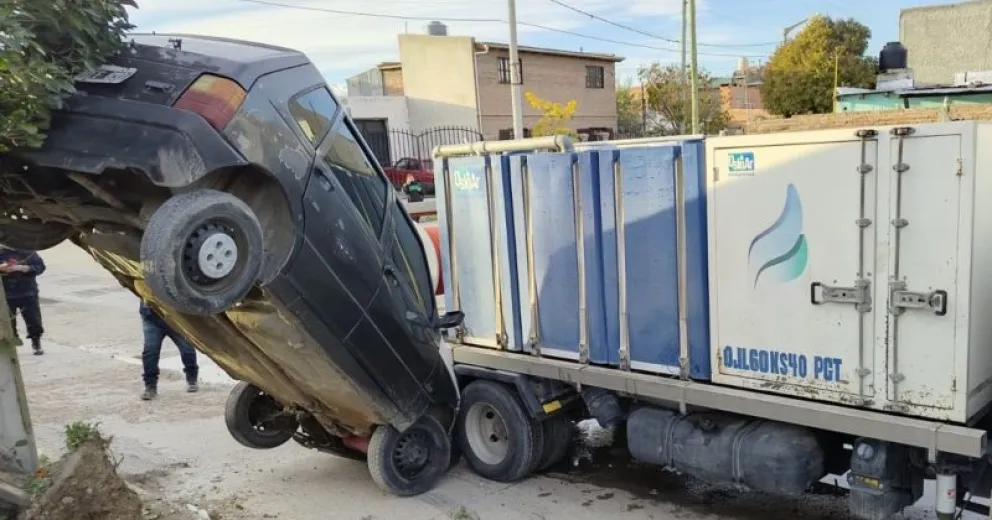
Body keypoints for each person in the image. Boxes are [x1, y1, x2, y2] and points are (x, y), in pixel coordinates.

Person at [139, 301, 199, 400]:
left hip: (175, 317)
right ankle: (150, 386)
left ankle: (192, 378)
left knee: (187, 349)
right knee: (150, 352)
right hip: (152, 317)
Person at [0, 248, 46, 355]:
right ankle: (11, 343)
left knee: (34, 320)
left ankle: (36, 342)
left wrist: (27, 268)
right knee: (8, 323)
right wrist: (3, 268)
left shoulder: (28, 252)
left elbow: (41, 267)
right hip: (7, 294)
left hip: (28, 292)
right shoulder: (1, 252)